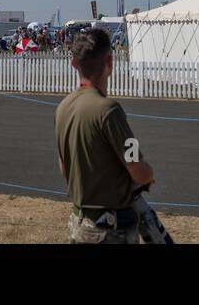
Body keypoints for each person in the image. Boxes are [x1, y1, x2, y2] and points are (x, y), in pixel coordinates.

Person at [54, 27, 155, 244]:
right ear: (109, 63)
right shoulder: (109, 110)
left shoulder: (63, 108)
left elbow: (64, 167)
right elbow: (139, 171)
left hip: (79, 225)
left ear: (74, 64)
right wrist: (149, 174)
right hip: (109, 231)